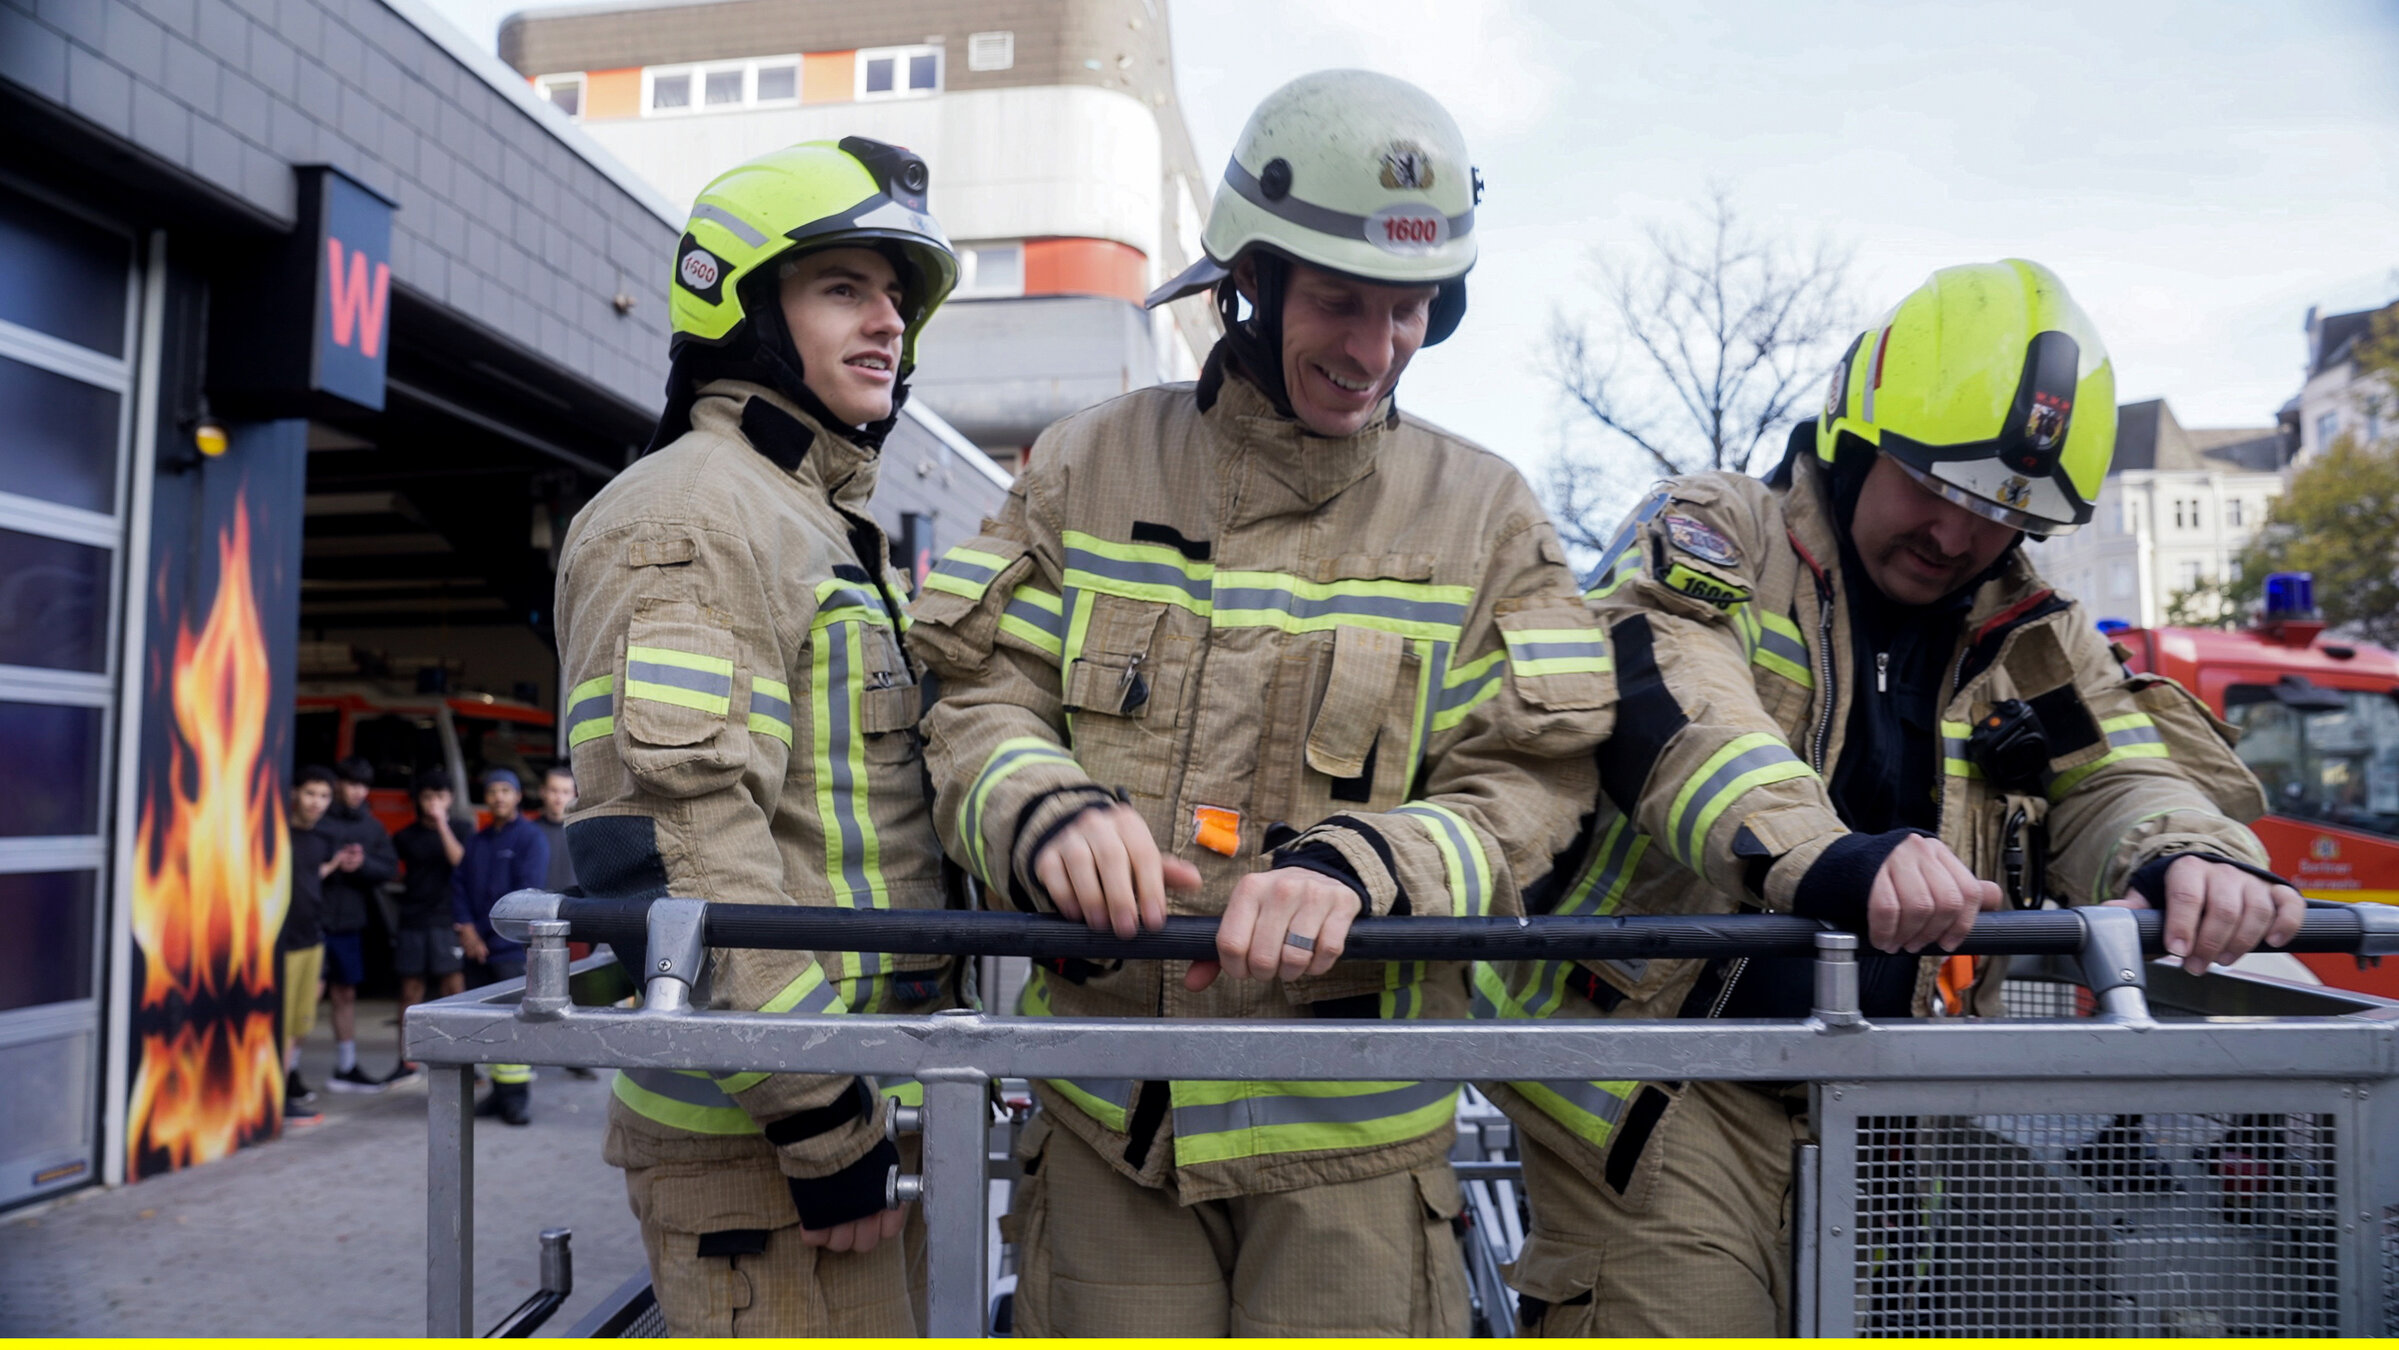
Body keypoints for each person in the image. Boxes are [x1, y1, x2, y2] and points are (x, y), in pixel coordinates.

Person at [910, 71, 1613, 1338]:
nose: (1371, 349)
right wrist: (1044, 811)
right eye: (1339, 301)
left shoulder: (1487, 513)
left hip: (1353, 1161)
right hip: (1111, 1131)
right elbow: (974, 696)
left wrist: (1370, 865)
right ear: (1249, 280)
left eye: (1407, 311)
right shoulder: (1082, 463)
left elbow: (1532, 778)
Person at [1484, 258, 2305, 1337]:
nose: (1958, 539)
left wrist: (2187, 853)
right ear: (1856, 437)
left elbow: (2113, 769)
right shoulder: (1718, 533)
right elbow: (1677, 701)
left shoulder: (2032, 631)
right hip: (1667, 1080)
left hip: (1876, 1094)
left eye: (1999, 516)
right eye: (1935, 487)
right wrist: (1829, 857)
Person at [552, 136, 965, 1337]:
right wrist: (824, 1119)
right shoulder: (691, 511)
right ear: (742, 309)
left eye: (896, 296)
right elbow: (672, 838)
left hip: (840, 1115)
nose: (887, 322)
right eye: (844, 288)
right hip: (767, 1142)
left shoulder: (806, 517)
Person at [451, 767, 549, 1125]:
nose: (499, 797)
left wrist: (487, 938)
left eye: (506, 790)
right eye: (493, 791)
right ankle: (497, 1089)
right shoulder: (477, 842)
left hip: (508, 947)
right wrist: (468, 933)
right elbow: (459, 886)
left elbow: (526, 895)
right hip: (477, 948)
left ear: (518, 796)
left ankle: (517, 1097)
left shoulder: (530, 838)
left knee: (515, 1021)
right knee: (488, 1023)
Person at [319, 756, 398, 1091]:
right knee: (308, 995)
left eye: (363, 786)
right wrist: (333, 863)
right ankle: (285, 1070)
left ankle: (346, 1066)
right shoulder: (318, 819)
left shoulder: (371, 826)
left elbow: (389, 867)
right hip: (313, 920)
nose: (357, 792)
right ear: (338, 784)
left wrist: (362, 864)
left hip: (350, 921)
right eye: (352, 784)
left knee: (345, 992)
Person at [386, 771, 469, 1082]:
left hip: (448, 918)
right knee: (410, 990)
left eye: (440, 797)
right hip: (413, 919)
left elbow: (460, 862)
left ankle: (463, 1058)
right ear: (418, 801)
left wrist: (442, 823)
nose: (434, 803)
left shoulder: (461, 828)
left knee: (454, 989)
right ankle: (405, 1061)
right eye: (428, 797)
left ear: (450, 799)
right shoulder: (405, 836)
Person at [281, 765, 342, 1123]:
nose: (316, 803)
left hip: (311, 940)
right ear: (294, 794)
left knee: (298, 1024)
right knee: (280, 1023)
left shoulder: (323, 840)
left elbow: (311, 876)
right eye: (309, 794)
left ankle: (282, 1091)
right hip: (281, 944)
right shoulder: (276, 833)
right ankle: (272, 1096)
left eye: (323, 796)